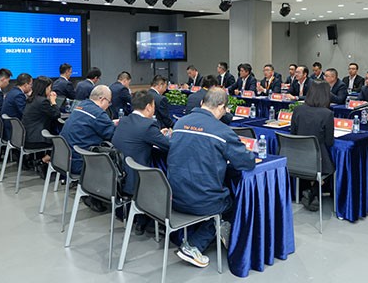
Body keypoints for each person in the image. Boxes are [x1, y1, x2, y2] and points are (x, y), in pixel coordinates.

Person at [168, 88, 255, 268]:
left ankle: (213, 231)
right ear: (222, 107)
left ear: (202, 103)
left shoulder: (179, 123)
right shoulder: (222, 131)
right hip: (201, 201)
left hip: (173, 196)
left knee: (212, 195)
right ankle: (194, 245)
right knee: (230, 203)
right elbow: (247, 162)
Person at [112, 90, 170, 235]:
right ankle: (149, 221)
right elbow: (168, 146)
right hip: (136, 180)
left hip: (119, 176)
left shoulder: (124, 120)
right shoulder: (147, 125)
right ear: (149, 107)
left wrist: (157, 135)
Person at [290, 81, 335, 211]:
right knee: (331, 164)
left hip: (297, 157)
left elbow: (293, 133)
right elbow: (329, 142)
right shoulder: (327, 113)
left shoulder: (298, 109)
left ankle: (311, 191)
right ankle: (313, 191)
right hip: (317, 160)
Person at [60, 85, 115, 176]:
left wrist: (109, 123)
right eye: (109, 102)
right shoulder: (98, 113)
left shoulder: (81, 106)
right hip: (81, 162)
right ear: (102, 99)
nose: (108, 105)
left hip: (64, 159)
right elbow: (113, 135)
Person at [22, 76, 61, 177]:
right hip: (36, 140)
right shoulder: (43, 101)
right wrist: (53, 101)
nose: (50, 90)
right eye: (49, 88)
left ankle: (44, 161)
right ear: (45, 88)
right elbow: (56, 114)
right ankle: (42, 161)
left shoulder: (32, 99)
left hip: (27, 137)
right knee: (61, 143)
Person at [1, 73, 33, 140]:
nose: (31, 87)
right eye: (31, 84)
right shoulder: (19, 95)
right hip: (13, 129)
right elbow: (25, 113)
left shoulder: (13, 91)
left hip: (8, 126)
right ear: (25, 85)